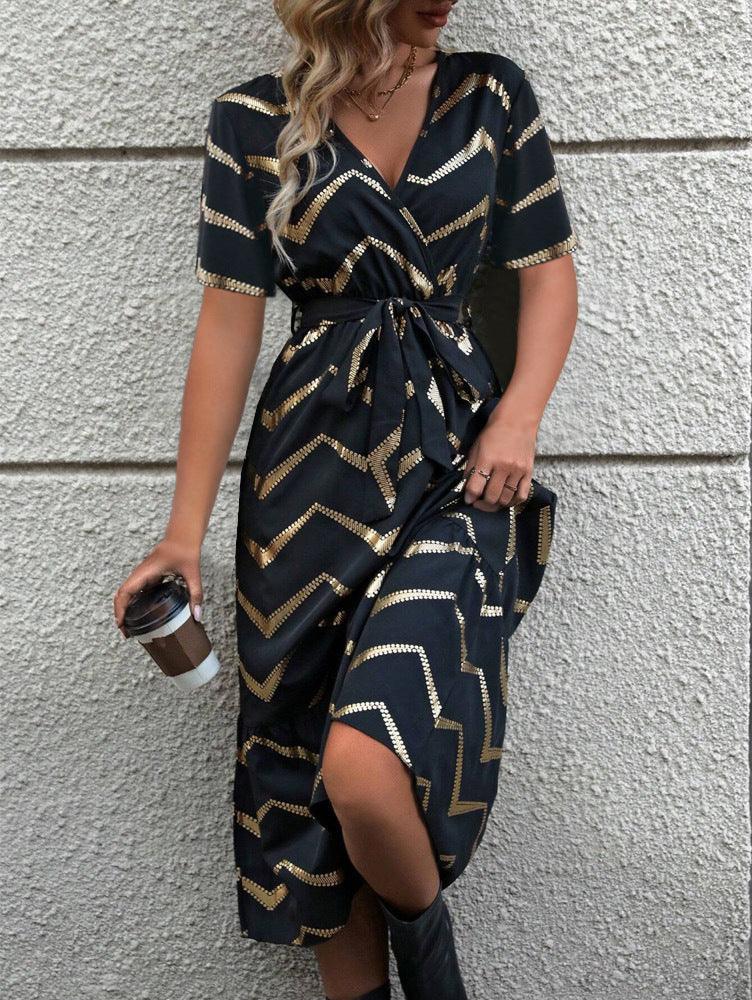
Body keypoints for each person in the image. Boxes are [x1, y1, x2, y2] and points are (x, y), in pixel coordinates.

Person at [113, 1, 579, 997]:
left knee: (364, 767)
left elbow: (546, 275)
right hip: (306, 482)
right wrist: (182, 536)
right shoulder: (252, 121)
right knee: (304, 779)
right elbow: (228, 324)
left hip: (456, 464)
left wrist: (519, 418)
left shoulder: (490, 96)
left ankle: (437, 976)